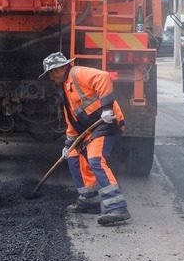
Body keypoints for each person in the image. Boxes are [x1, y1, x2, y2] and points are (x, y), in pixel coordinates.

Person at [41, 51, 131, 226]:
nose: (51, 77)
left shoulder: (77, 73)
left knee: (95, 159)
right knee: (73, 156)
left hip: (107, 123)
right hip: (90, 129)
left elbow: (103, 77)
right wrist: (68, 144)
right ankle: (89, 200)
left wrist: (107, 109)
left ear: (59, 69)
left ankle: (117, 208)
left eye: (51, 73)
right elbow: (72, 120)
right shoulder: (64, 88)